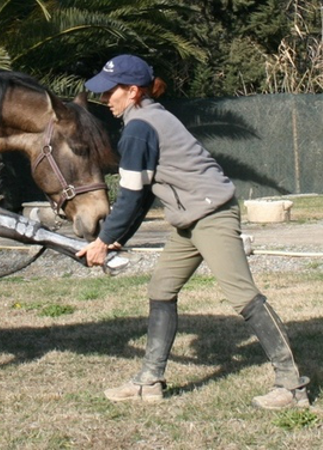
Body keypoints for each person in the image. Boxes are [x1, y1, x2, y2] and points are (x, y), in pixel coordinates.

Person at [77, 54, 310, 410]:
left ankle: (292, 386)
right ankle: (149, 382)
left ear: (133, 91)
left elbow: (131, 196)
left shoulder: (140, 128)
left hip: (212, 215)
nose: (105, 99)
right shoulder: (147, 118)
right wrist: (113, 239)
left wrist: (105, 240)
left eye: (111, 91)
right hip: (190, 218)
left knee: (243, 297)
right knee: (161, 289)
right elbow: (141, 197)